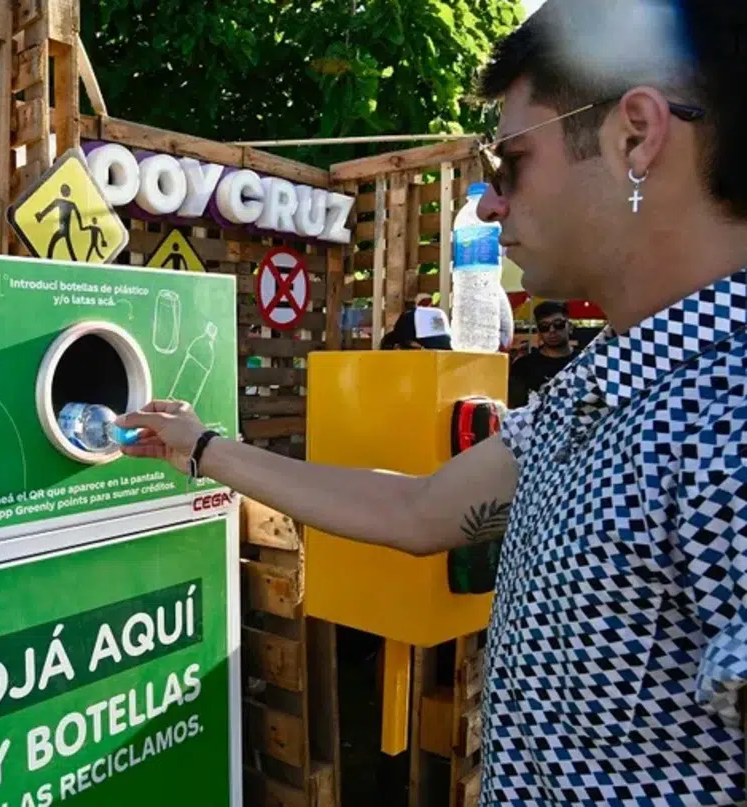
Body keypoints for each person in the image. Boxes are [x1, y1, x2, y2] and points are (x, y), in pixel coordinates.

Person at [115, 1, 747, 804]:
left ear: (636, 136)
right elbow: (418, 509)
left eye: (510, 162)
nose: (488, 204)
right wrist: (202, 447)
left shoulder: (729, 399)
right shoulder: (604, 386)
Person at [507, 299, 576, 406]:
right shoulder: (523, 366)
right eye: (544, 326)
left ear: (570, 327)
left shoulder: (582, 360)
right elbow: (515, 408)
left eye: (558, 324)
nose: (552, 330)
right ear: (539, 332)